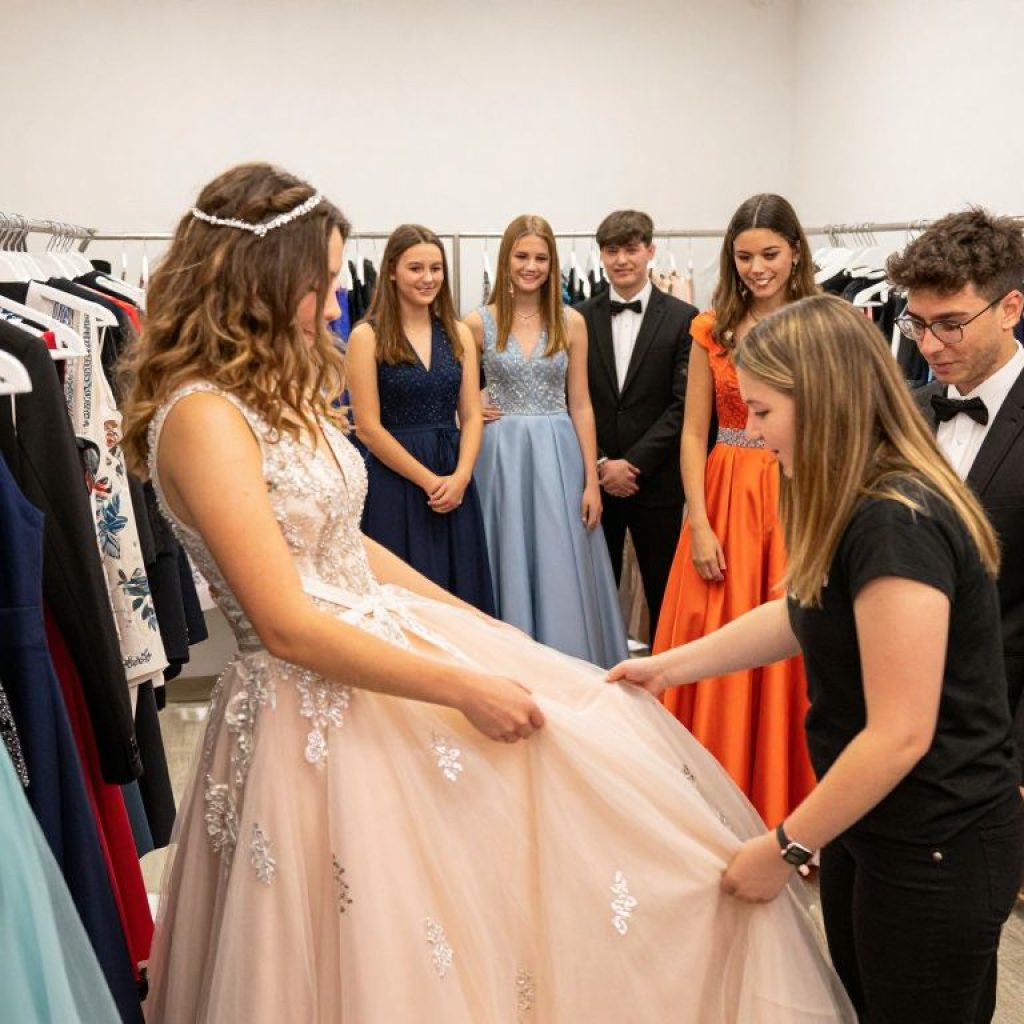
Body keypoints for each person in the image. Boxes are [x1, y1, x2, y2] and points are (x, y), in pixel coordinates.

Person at [121, 163, 854, 1022]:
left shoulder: (275, 397)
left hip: (378, 667)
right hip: (305, 713)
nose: (331, 302)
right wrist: (461, 683)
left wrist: (480, 634)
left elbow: (342, 547)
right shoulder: (205, 416)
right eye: (321, 280)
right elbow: (285, 622)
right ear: (261, 278)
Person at [611, 294, 1024, 1024]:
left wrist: (784, 842)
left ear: (824, 401)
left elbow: (900, 732)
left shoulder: (897, 518)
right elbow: (803, 611)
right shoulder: (849, 495)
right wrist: (669, 667)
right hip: (874, 824)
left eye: (765, 412)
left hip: (936, 840)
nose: (756, 433)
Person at [654, 194, 818, 824]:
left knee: (795, 637)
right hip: (722, 495)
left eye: (770, 254)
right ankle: (710, 806)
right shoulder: (711, 328)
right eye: (745, 256)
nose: (757, 268)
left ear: (796, 251)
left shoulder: (820, 324)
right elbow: (694, 433)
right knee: (712, 638)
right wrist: (698, 519)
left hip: (797, 492)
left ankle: (787, 804)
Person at [890, 209, 1024, 822]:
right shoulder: (905, 414)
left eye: (950, 325)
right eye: (916, 324)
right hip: (890, 734)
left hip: (995, 745)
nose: (928, 346)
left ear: (1010, 308)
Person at [464, 215, 627, 667]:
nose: (530, 266)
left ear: (553, 263)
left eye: (540, 257)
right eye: (522, 256)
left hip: (559, 453)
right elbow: (452, 389)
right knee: (506, 555)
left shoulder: (571, 322)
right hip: (501, 456)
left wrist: (592, 481)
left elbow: (581, 404)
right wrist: (472, 405)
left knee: (560, 560)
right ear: (505, 259)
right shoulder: (477, 323)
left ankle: (567, 664)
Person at [347, 224, 494, 613]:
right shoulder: (367, 336)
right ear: (392, 270)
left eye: (436, 268)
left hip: (453, 475)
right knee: (405, 593)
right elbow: (367, 427)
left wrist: (461, 476)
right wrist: (429, 481)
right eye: (416, 268)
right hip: (395, 479)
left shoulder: (458, 333)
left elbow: (472, 415)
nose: (428, 278)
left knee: (458, 589)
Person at [576, 210, 698, 642]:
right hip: (594, 482)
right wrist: (604, 464)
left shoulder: (686, 318)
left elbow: (685, 406)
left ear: (650, 250)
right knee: (593, 594)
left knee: (666, 591)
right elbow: (571, 401)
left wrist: (634, 465)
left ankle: (669, 688)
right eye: (612, 250)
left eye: (631, 249)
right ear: (601, 255)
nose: (622, 259)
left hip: (658, 482)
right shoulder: (577, 318)